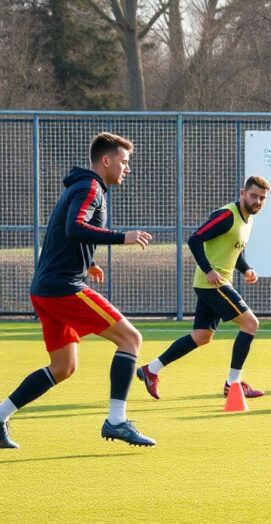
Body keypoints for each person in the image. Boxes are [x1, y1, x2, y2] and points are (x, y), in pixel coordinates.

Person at [0, 132, 156, 448]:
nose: (127, 169)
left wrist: (91, 261)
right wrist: (121, 237)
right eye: (124, 162)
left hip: (47, 288)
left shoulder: (83, 186)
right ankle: (116, 421)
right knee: (131, 339)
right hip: (63, 287)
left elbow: (69, 232)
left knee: (63, 367)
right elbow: (75, 227)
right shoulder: (90, 187)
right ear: (106, 160)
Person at [136, 176, 270, 399]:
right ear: (242, 193)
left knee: (202, 336)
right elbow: (195, 239)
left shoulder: (249, 220)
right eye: (253, 195)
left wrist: (246, 268)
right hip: (212, 284)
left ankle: (151, 370)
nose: (257, 201)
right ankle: (233, 385)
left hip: (214, 283)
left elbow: (233, 251)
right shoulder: (227, 215)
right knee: (250, 323)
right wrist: (209, 270)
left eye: (262, 198)